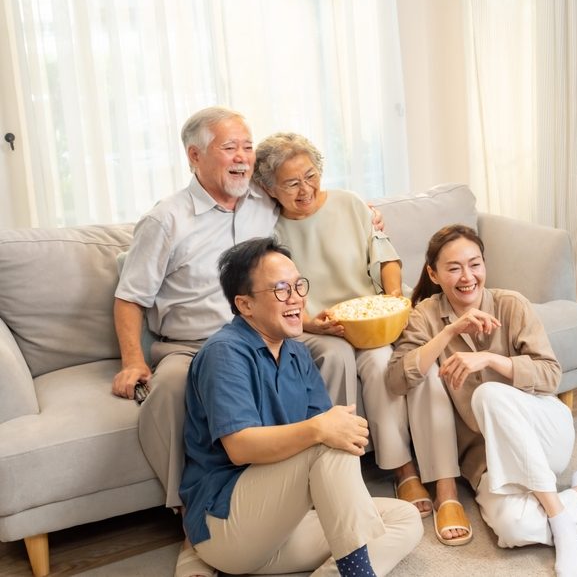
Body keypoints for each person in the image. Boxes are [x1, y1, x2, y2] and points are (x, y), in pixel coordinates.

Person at [112, 107, 378, 576]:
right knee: (173, 386)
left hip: (266, 330)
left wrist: (363, 217)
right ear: (195, 156)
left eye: (248, 147)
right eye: (229, 148)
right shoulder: (166, 219)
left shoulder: (261, 199)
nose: (242, 157)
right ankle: (192, 521)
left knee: (334, 353)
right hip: (191, 343)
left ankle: (325, 492)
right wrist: (133, 359)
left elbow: (304, 194)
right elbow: (130, 296)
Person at [387, 225, 577, 577]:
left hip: (545, 434)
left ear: (484, 264)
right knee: (514, 529)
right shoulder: (426, 316)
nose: (467, 277)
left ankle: (559, 518)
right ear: (433, 274)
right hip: (486, 459)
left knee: (489, 393)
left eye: (475, 264)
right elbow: (396, 378)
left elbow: (551, 375)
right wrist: (449, 332)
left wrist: (491, 360)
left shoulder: (511, 305)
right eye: (454, 268)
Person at [252, 132, 470, 545]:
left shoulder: (350, 204)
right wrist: (310, 323)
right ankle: (381, 472)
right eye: (291, 183)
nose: (305, 189)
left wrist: (392, 298)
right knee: (339, 354)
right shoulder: (269, 231)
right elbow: (278, 294)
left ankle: (404, 470)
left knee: (380, 362)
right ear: (268, 189)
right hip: (319, 324)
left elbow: (385, 256)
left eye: (310, 176)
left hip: (372, 320)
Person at [179, 236, 421, 576]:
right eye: (281, 289)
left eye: (297, 286)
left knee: (404, 518)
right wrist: (322, 429)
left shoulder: (296, 352)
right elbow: (240, 447)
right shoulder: (224, 353)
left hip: (282, 525)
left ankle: (346, 569)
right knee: (329, 440)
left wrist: (330, 430)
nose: (296, 298)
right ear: (245, 305)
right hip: (228, 524)